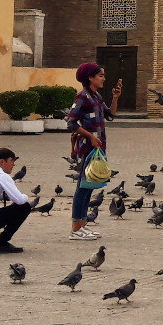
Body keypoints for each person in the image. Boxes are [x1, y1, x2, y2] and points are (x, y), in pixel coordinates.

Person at [66, 62, 120, 241]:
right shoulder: (82, 96)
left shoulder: (96, 96)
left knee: (89, 186)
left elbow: (110, 115)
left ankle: (83, 226)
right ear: (90, 77)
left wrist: (115, 97)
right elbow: (71, 123)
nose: (104, 78)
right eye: (101, 76)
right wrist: (89, 136)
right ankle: (75, 228)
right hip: (87, 148)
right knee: (82, 186)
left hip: (98, 147)